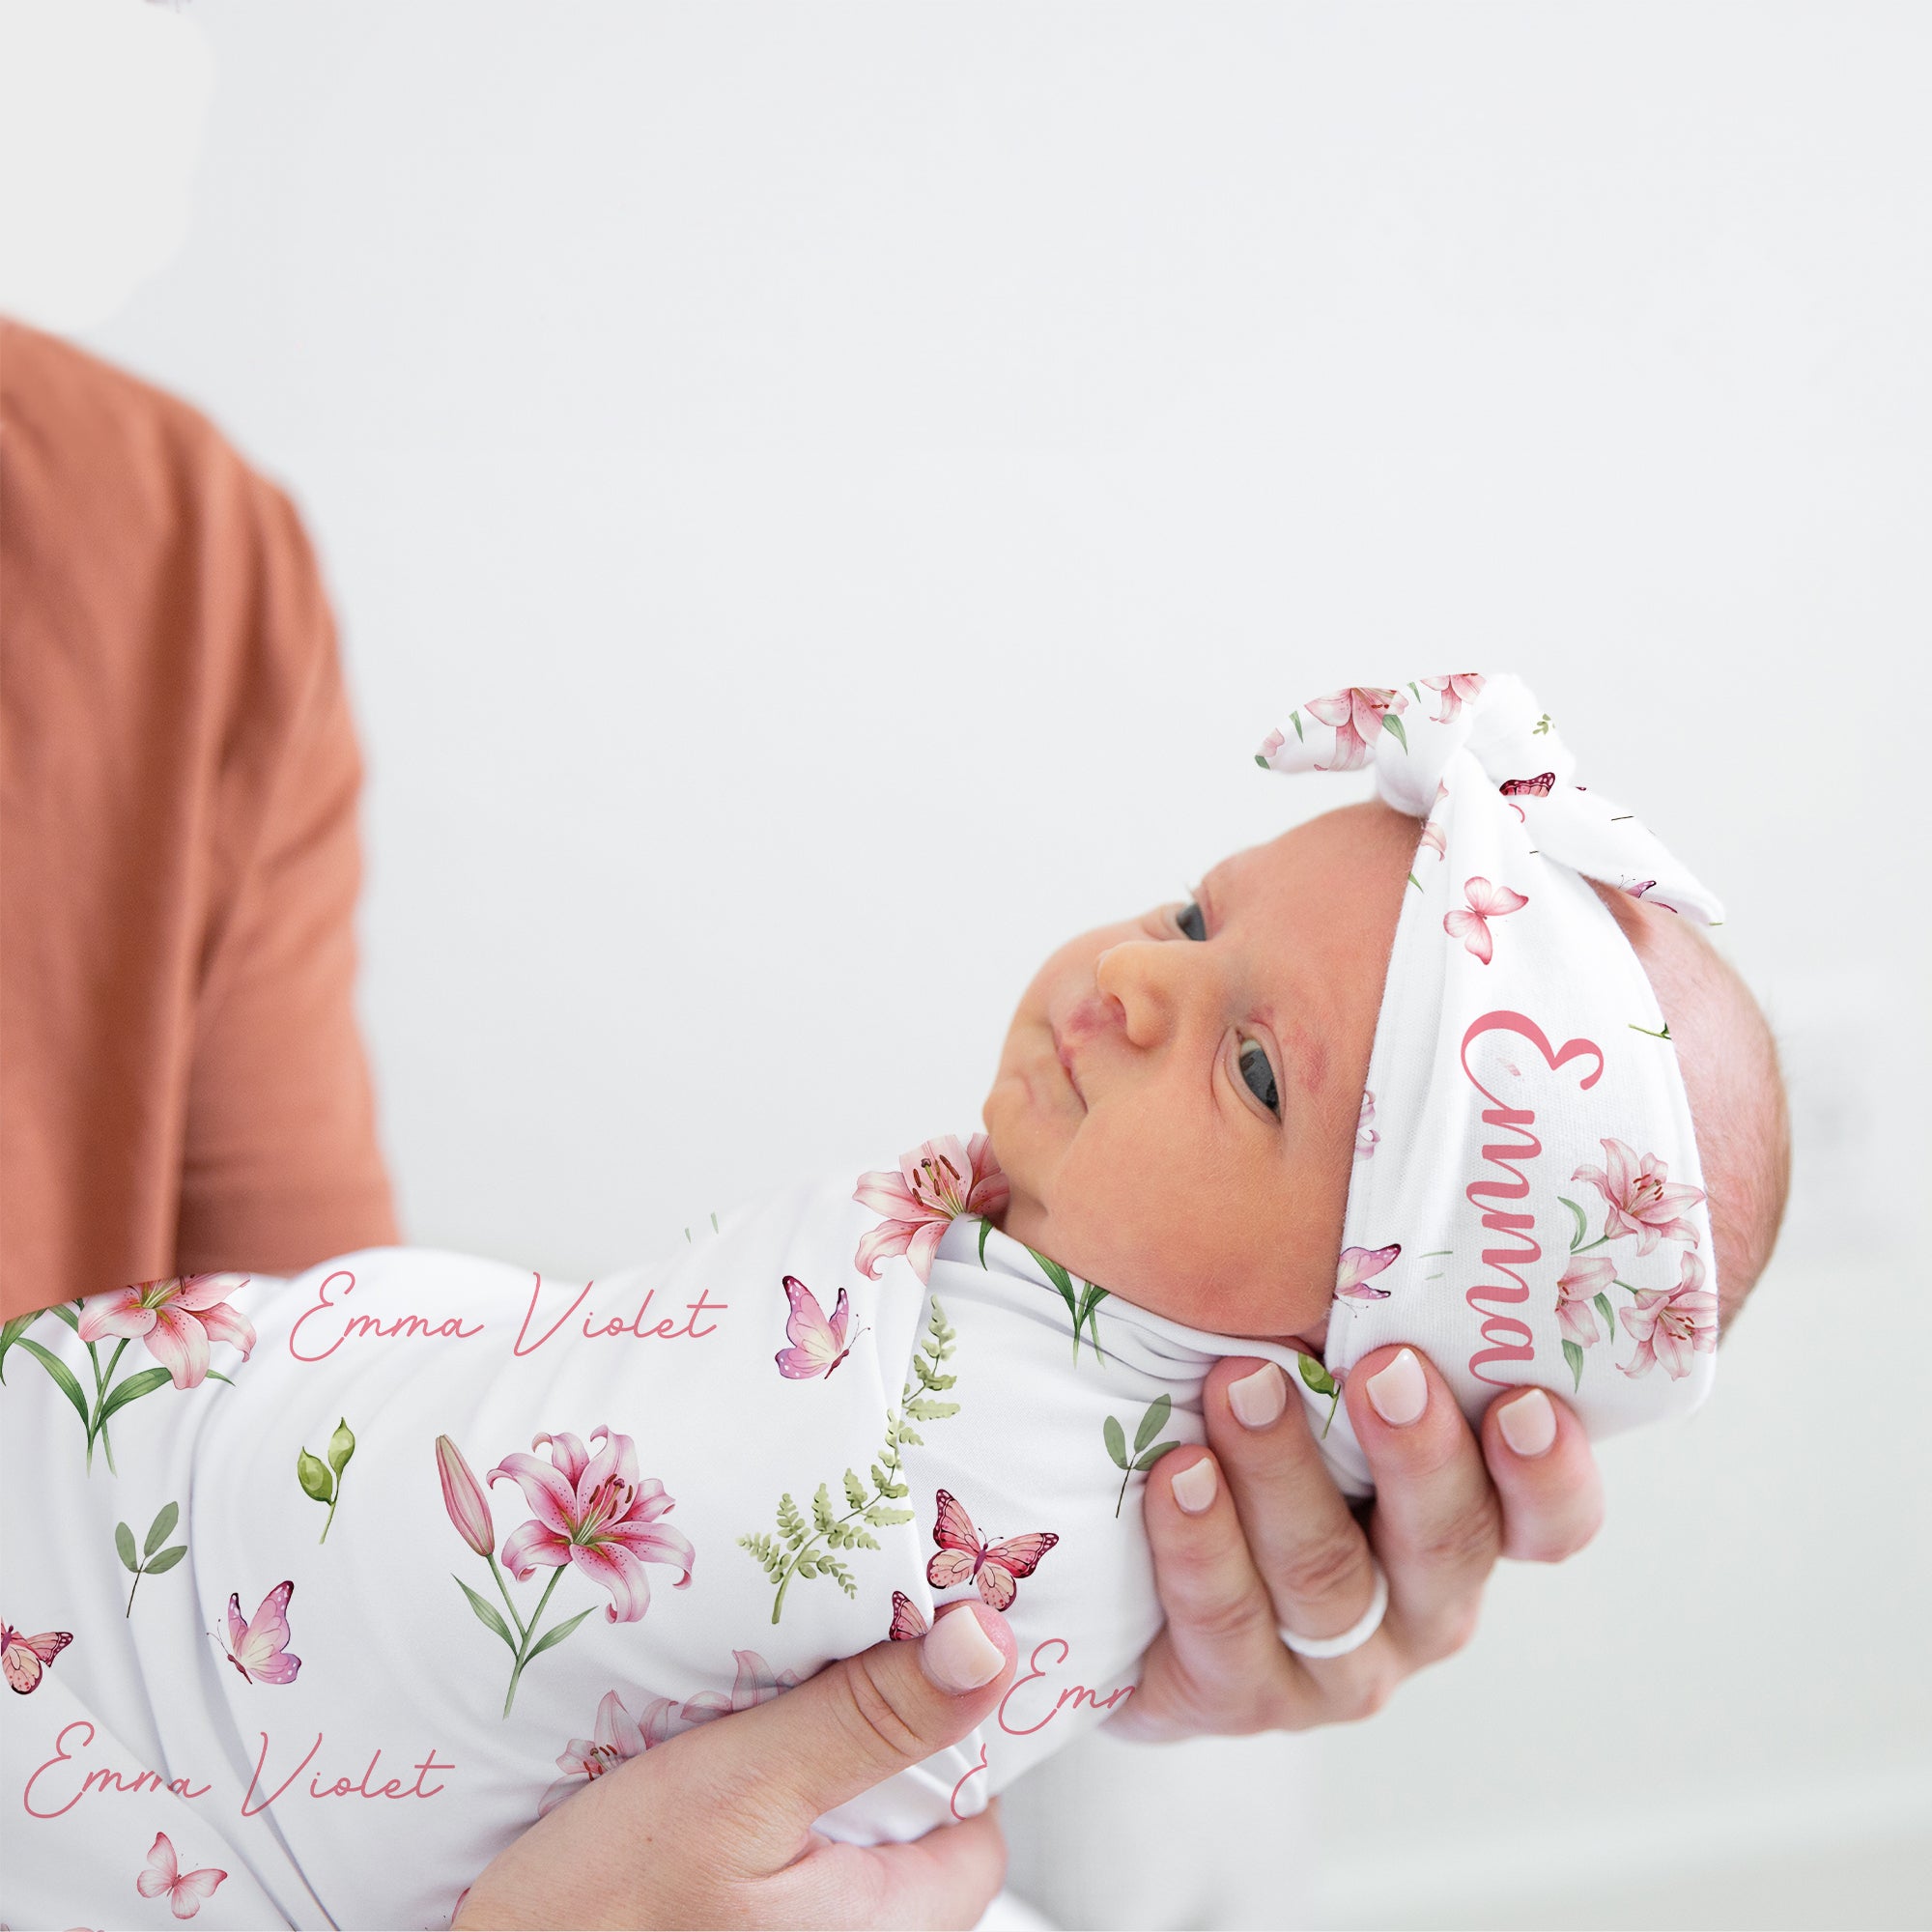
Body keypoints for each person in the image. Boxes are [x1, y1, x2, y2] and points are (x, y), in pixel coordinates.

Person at [0, 326, 1617, 1928]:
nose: (1133, 973)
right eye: (1192, 918)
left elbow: (333, 1457)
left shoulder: (166, 554)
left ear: (1357, 1347)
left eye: (1260, 1071)